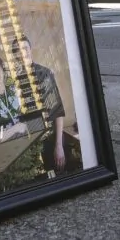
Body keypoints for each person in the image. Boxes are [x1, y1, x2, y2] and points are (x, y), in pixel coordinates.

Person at [11, 34, 75, 173]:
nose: (22, 53)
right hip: (29, 143)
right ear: (14, 54)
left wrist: (58, 146)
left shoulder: (44, 74)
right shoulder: (13, 80)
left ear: (30, 50)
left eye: (25, 48)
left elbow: (57, 111)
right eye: (18, 50)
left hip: (51, 139)